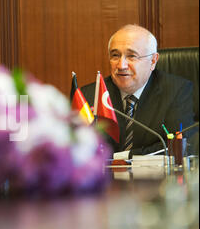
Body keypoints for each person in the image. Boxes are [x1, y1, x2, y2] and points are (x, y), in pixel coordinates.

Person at [81, 24, 195, 158]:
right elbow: (76, 148)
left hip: (157, 177)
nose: (121, 65)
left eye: (131, 56)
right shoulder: (90, 95)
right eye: (115, 55)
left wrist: (120, 157)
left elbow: (177, 146)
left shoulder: (176, 91)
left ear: (153, 61)